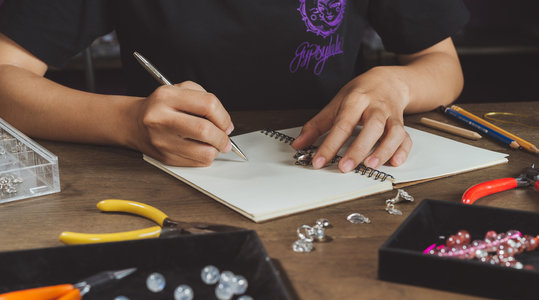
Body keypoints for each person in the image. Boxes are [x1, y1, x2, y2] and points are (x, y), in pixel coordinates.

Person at [0, 0, 469, 171]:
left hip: (329, 169)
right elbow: (6, 75)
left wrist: (395, 85)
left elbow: (441, 64)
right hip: (168, 173)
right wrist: (125, 121)